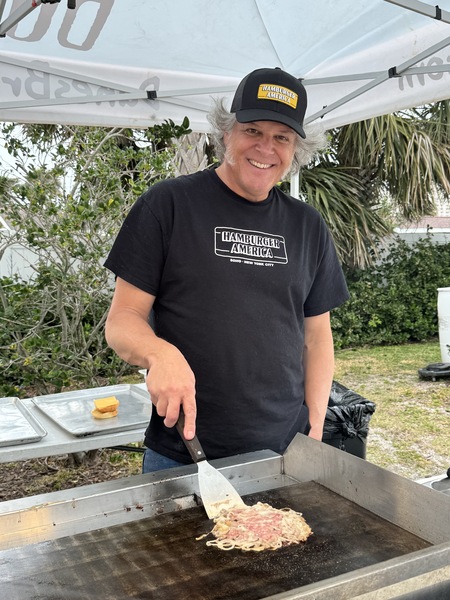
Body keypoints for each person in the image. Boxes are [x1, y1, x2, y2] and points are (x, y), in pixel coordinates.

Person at [104, 67, 349, 473]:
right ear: (226, 133)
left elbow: (317, 338)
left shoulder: (308, 225)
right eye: (253, 130)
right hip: (182, 451)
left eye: (282, 137)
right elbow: (122, 321)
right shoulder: (168, 206)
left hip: (285, 449)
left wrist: (316, 429)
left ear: (296, 149)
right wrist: (159, 352)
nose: (266, 148)